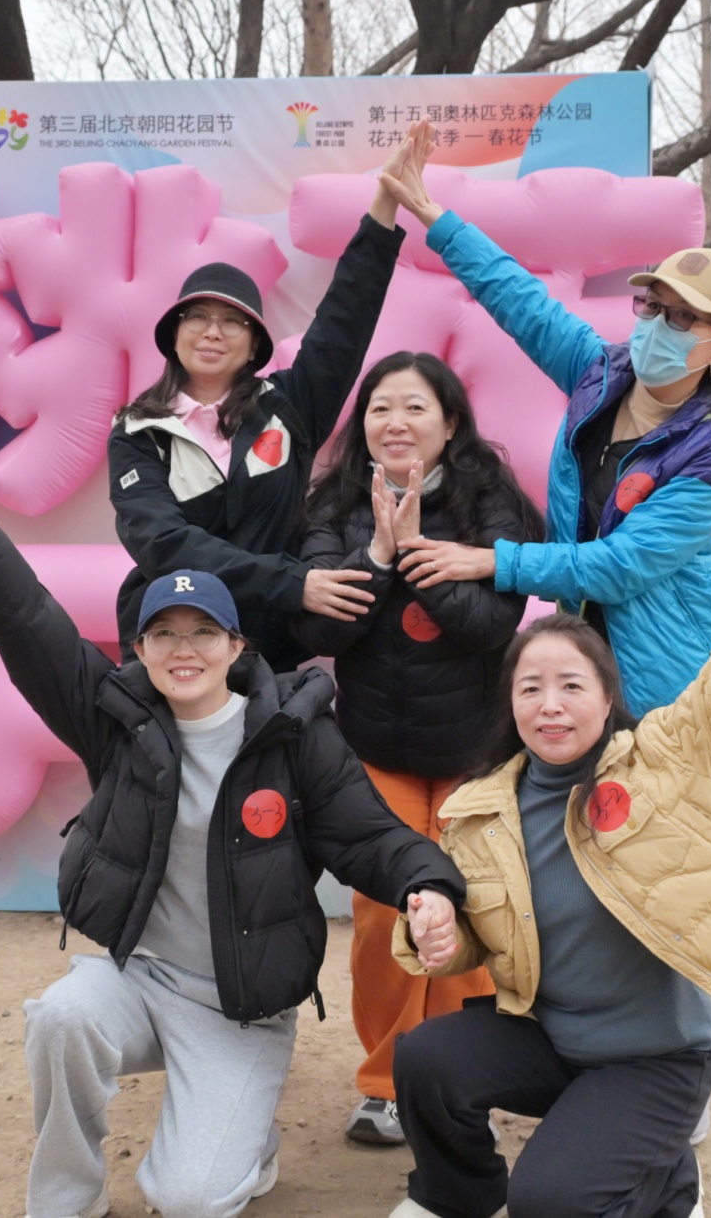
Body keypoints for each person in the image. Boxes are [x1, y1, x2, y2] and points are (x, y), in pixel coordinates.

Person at [0, 416, 465, 1218]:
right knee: (60, 1018)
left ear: (237, 647)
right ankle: (67, 1198)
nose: (183, 649)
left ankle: (247, 1141)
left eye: (204, 632)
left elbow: (371, 836)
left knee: (191, 1199)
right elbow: (31, 629)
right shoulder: (118, 720)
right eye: (163, 634)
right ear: (139, 649)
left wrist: (427, 886)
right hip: (140, 979)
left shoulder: (293, 736)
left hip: (240, 1005)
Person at [372, 128, 711, 1078]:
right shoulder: (599, 372)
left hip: (669, 680)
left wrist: (488, 560)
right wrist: (434, 217)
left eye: (683, 319)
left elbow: (619, 565)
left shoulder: (710, 455)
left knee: (675, 843)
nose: (657, 325)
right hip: (592, 663)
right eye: (653, 305)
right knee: (642, 841)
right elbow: (516, 299)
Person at [384, 478, 711, 1218]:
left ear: (606, 695)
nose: (551, 705)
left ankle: (668, 1185)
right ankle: (455, 1197)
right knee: (426, 1059)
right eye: (530, 689)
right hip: (552, 1039)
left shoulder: (668, 756)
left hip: (656, 1059)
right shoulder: (478, 807)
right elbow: (472, 937)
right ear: (510, 704)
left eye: (571, 685)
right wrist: (432, 928)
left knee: (549, 1202)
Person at [289, 350, 546, 1148]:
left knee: (472, 908)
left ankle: (463, 1080)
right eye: (380, 408)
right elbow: (321, 630)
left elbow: (490, 626)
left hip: (475, 755)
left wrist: (420, 562)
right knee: (385, 916)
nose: (396, 423)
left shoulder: (490, 499)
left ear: (450, 421)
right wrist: (377, 552)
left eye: (415, 407)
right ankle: (388, 1084)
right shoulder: (334, 502)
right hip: (377, 752)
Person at [108, 126, 435, 668]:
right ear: (175, 333)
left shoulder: (287, 407)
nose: (213, 332)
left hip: (268, 657)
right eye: (198, 317)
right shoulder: (137, 431)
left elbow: (343, 322)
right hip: (172, 653)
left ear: (255, 343)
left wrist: (383, 206)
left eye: (233, 321)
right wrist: (292, 583)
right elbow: (163, 544)